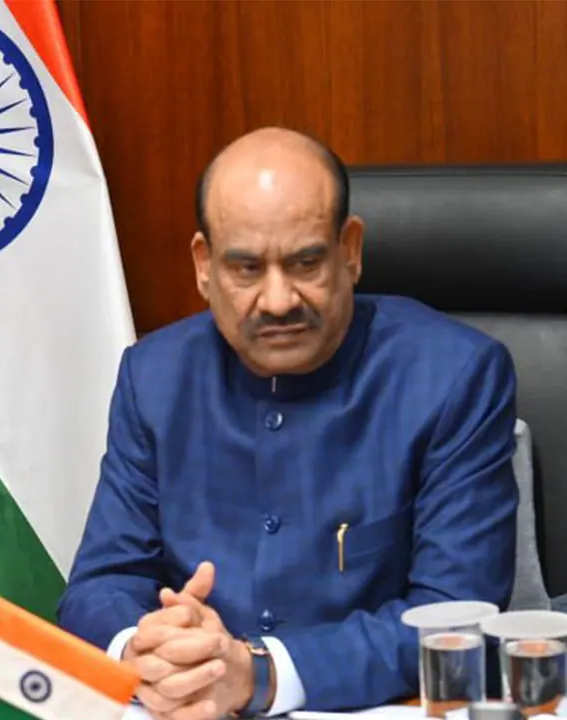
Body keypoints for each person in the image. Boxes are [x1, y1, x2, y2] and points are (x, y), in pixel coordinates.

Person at [57, 127, 519, 717]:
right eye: (246, 268)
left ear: (350, 251)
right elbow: (101, 582)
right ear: (204, 266)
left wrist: (260, 673)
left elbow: (457, 615)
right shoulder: (154, 376)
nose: (278, 300)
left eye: (305, 263)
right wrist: (144, 651)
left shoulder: (455, 375)